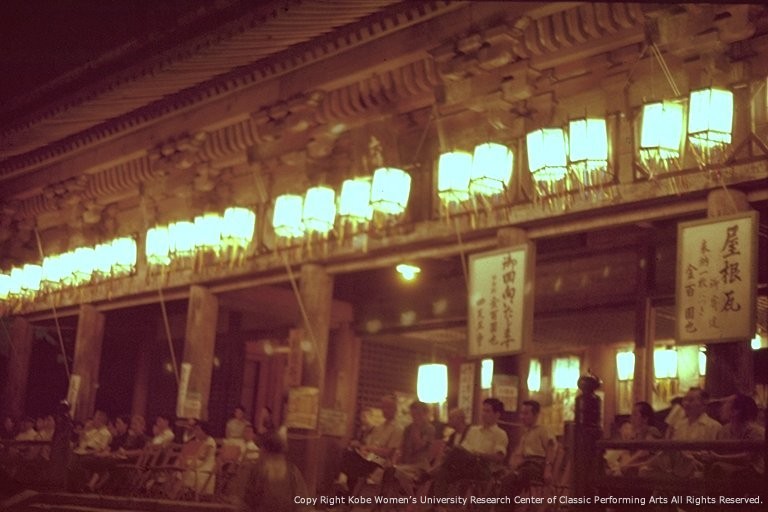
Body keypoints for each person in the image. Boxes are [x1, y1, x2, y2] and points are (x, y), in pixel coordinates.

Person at [432, 398, 508, 496]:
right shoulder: (473, 430)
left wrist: (479, 454)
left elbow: (499, 457)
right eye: (483, 410)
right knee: (444, 471)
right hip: (466, 463)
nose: (483, 414)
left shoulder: (500, 434)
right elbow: (464, 448)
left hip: (483, 467)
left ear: (497, 415)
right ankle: (440, 502)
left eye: (487, 411)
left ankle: (429, 474)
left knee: (454, 452)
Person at [639, 387, 720, 479]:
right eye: (685, 400)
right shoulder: (679, 424)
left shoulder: (713, 426)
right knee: (645, 471)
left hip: (696, 466)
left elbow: (711, 455)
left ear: (703, 403)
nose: (686, 404)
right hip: (676, 466)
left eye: (691, 400)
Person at [336, 395, 403, 493]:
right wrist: (360, 447)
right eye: (383, 407)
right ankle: (346, 487)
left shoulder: (397, 429)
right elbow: (369, 444)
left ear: (395, 409)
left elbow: (388, 452)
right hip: (371, 456)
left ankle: (345, 484)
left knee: (352, 460)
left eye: (388, 407)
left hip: (382, 461)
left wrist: (368, 449)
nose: (384, 410)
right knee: (348, 452)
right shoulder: (379, 427)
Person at [497, 400, 556, 511]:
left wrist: (548, 470)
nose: (522, 417)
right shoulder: (526, 433)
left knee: (510, 480)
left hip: (536, 466)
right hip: (525, 466)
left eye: (526, 413)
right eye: (522, 413)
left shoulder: (543, 430)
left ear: (535, 415)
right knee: (505, 480)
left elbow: (550, 448)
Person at [230, 432, 310, 512]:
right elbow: (303, 503)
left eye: (261, 449)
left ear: (265, 451)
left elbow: (245, 504)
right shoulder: (292, 471)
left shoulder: (257, 471)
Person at [702, 394, 765, 486]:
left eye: (726, 404)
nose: (721, 408)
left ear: (736, 411)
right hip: (727, 471)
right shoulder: (724, 430)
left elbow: (747, 458)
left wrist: (717, 458)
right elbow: (717, 452)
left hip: (751, 475)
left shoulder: (756, 432)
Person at [389, 401, 435, 495]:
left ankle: (411, 497)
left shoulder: (429, 429)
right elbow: (401, 447)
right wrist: (394, 460)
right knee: (389, 470)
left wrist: (416, 429)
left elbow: (419, 446)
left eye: (418, 414)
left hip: (420, 466)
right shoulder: (408, 428)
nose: (415, 417)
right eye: (413, 414)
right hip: (406, 464)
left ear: (425, 414)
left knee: (397, 472)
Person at [609, 402, 662, 475]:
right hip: (636, 469)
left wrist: (625, 465)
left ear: (645, 418)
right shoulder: (635, 435)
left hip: (650, 470)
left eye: (635, 414)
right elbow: (626, 454)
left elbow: (645, 451)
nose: (631, 418)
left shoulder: (652, 430)